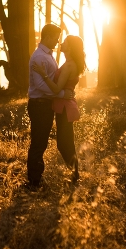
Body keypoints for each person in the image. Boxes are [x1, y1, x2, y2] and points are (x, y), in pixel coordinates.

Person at [26, 24, 75, 187]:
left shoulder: (47, 55)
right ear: (47, 37)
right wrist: (61, 94)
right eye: (55, 38)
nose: (57, 41)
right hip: (39, 105)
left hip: (46, 105)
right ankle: (34, 181)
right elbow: (40, 85)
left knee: (42, 142)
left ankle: (37, 177)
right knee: (39, 143)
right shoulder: (39, 57)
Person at [32, 34, 85, 183]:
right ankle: (75, 175)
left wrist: (43, 74)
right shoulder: (68, 63)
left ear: (71, 47)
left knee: (64, 143)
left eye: (65, 42)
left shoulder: (69, 65)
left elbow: (56, 89)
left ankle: (75, 176)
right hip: (64, 106)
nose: (62, 43)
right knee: (66, 142)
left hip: (66, 107)